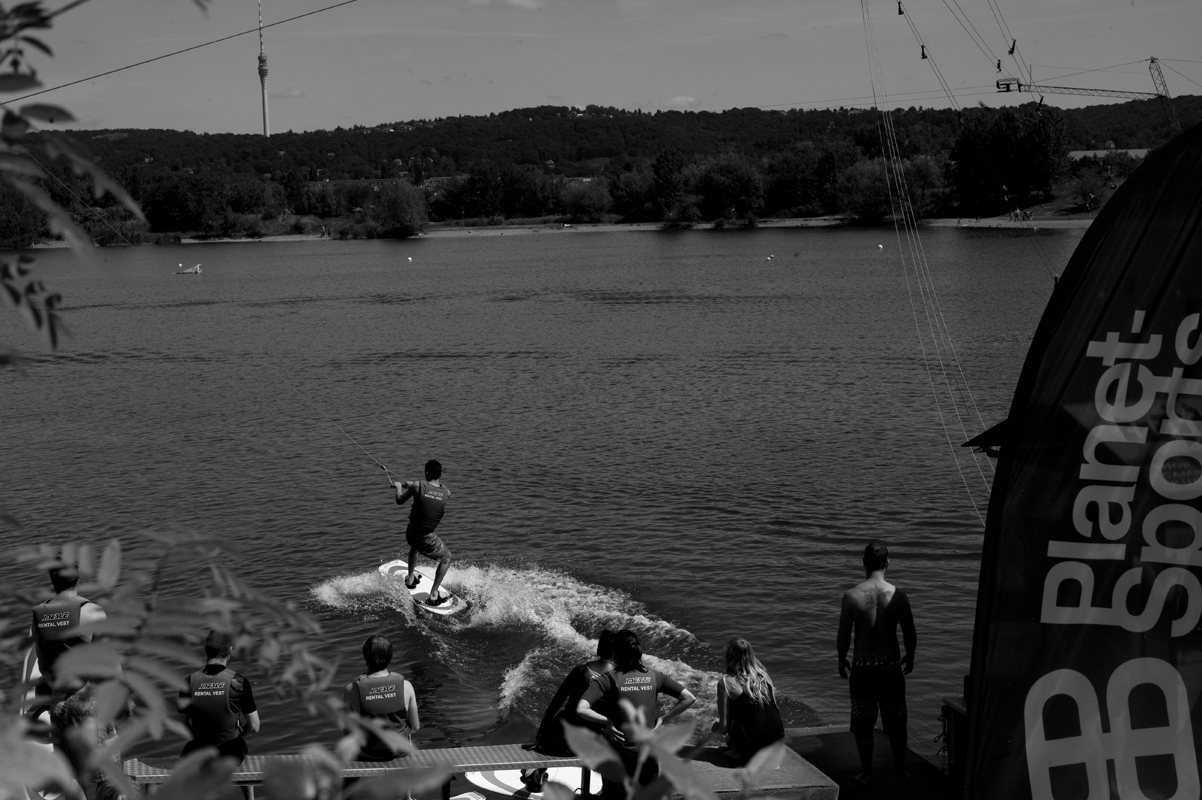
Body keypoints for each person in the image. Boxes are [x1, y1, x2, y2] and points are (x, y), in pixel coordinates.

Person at [577, 630, 696, 799]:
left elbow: (581, 709)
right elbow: (689, 698)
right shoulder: (655, 676)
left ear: (615, 653)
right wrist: (663, 719)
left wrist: (608, 722)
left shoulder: (607, 679)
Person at [836, 542, 917, 787]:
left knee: (863, 725)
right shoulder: (899, 596)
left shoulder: (851, 596)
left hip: (863, 667)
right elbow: (910, 633)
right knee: (897, 723)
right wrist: (910, 656)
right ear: (887, 563)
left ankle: (866, 774)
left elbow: (843, 633)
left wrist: (841, 659)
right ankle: (900, 773)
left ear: (864, 562)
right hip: (890, 668)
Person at [178, 630, 260, 766]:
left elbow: (181, 725)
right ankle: (247, 786)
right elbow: (255, 726)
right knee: (242, 747)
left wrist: (200, 738)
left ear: (206, 649)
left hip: (200, 754)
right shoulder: (239, 682)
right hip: (231, 754)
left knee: (186, 752)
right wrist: (238, 736)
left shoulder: (188, 682)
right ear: (230, 650)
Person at [31, 561, 107, 699]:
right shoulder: (91, 612)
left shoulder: (38, 615)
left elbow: (43, 667)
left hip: (58, 703)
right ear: (78, 575)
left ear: (52, 577)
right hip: (85, 701)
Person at [533, 630, 615, 756]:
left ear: (599, 648)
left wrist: (540, 737)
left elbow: (553, 707)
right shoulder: (619, 679)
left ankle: (537, 770)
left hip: (563, 743)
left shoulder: (580, 671)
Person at [342, 634, 420, 761]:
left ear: (365, 657)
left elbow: (347, 731)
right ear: (390, 657)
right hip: (400, 751)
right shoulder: (406, 686)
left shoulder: (352, 690)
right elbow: (415, 726)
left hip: (366, 753)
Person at [711, 638, 784, 764]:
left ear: (729, 657)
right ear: (751, 655)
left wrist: (715, 728)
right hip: (776, 743)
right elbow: (775, 710)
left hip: (751, 747)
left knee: (730, 727)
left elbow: (723, 727)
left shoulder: (725, 682)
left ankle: (738, 753)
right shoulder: (764, 677)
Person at [394, 459, 452, 607]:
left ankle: (411, 578)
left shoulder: (417, 486)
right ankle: (433, 595)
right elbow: (433, 489)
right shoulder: (447, 493)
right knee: (446, 558)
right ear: (440, 474)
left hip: (411, 534)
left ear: (426, 473)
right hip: (426, 537)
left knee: (415, 546)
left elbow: (400, 500)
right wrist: (411, 484)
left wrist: (398, 487)